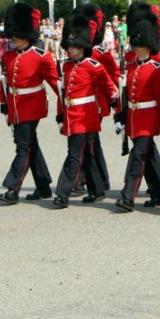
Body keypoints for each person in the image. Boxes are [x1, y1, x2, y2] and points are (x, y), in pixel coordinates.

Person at [52, 13, 119, 208]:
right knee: (88, 154)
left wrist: (117, 108)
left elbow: (109, 88)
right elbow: (63, 92)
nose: (71, 50)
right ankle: (97, 190)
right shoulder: (66, 66)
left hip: (86, 115)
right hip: (72, 114)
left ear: (83, 47)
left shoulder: (94, 66)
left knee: (74, 154)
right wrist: (60, 115)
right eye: (70, 46)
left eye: (75, 46)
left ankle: (62, 193)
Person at [0, 3, 60, 205]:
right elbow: (5, 82)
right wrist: (5, 104)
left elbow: (56, 83)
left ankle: (12, 188)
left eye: (18, 34)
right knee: (30, 144)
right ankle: (43, 186)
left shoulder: (41, 57)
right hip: (16, 106)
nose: (14, 38)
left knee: (22, 147)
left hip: (32, 106)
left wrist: (68, 104)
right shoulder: (8, 57)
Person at [114, 6, 160, 212]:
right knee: (145, 156)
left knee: (138, 156)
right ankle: (158, 192)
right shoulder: (131, 67)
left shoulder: (156, 68)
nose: (137, 48)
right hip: (133, 116)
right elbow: (125, 93)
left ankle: (127, 195)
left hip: (148, 117)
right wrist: (120, 115)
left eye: (141, 45)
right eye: (135, 44)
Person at [72, 2, 121, 194]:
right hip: (81, 103)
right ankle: (102, 178)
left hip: (96, 103)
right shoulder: (77, 54)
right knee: (92, 141)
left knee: (84, 141)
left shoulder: (100, 53)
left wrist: (115, 102)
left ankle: (81, 179)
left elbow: (114, 77)